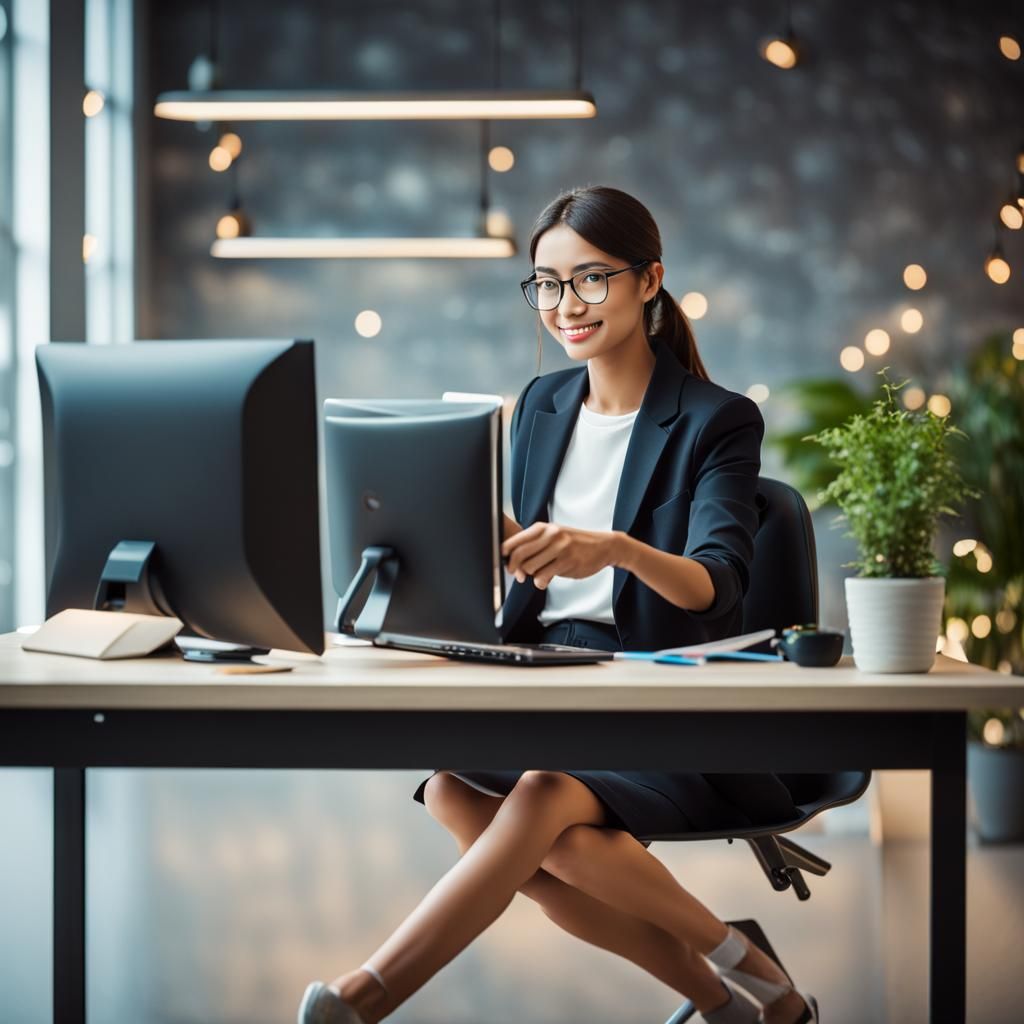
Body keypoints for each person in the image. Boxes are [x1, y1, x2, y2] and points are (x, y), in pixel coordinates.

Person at [299, 186, 818, 1024]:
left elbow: (716, 584)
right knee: (454, 795)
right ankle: (745, 984)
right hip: (548, 672)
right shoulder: (540, 405)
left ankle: (364, 997)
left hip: (665, 691)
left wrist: (612, 547)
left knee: (542, 804)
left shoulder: (716, 421)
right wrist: (478, 538)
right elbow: (527, 574)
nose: (564, 306)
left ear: (649, 281)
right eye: (545, 283)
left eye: (589, 280)